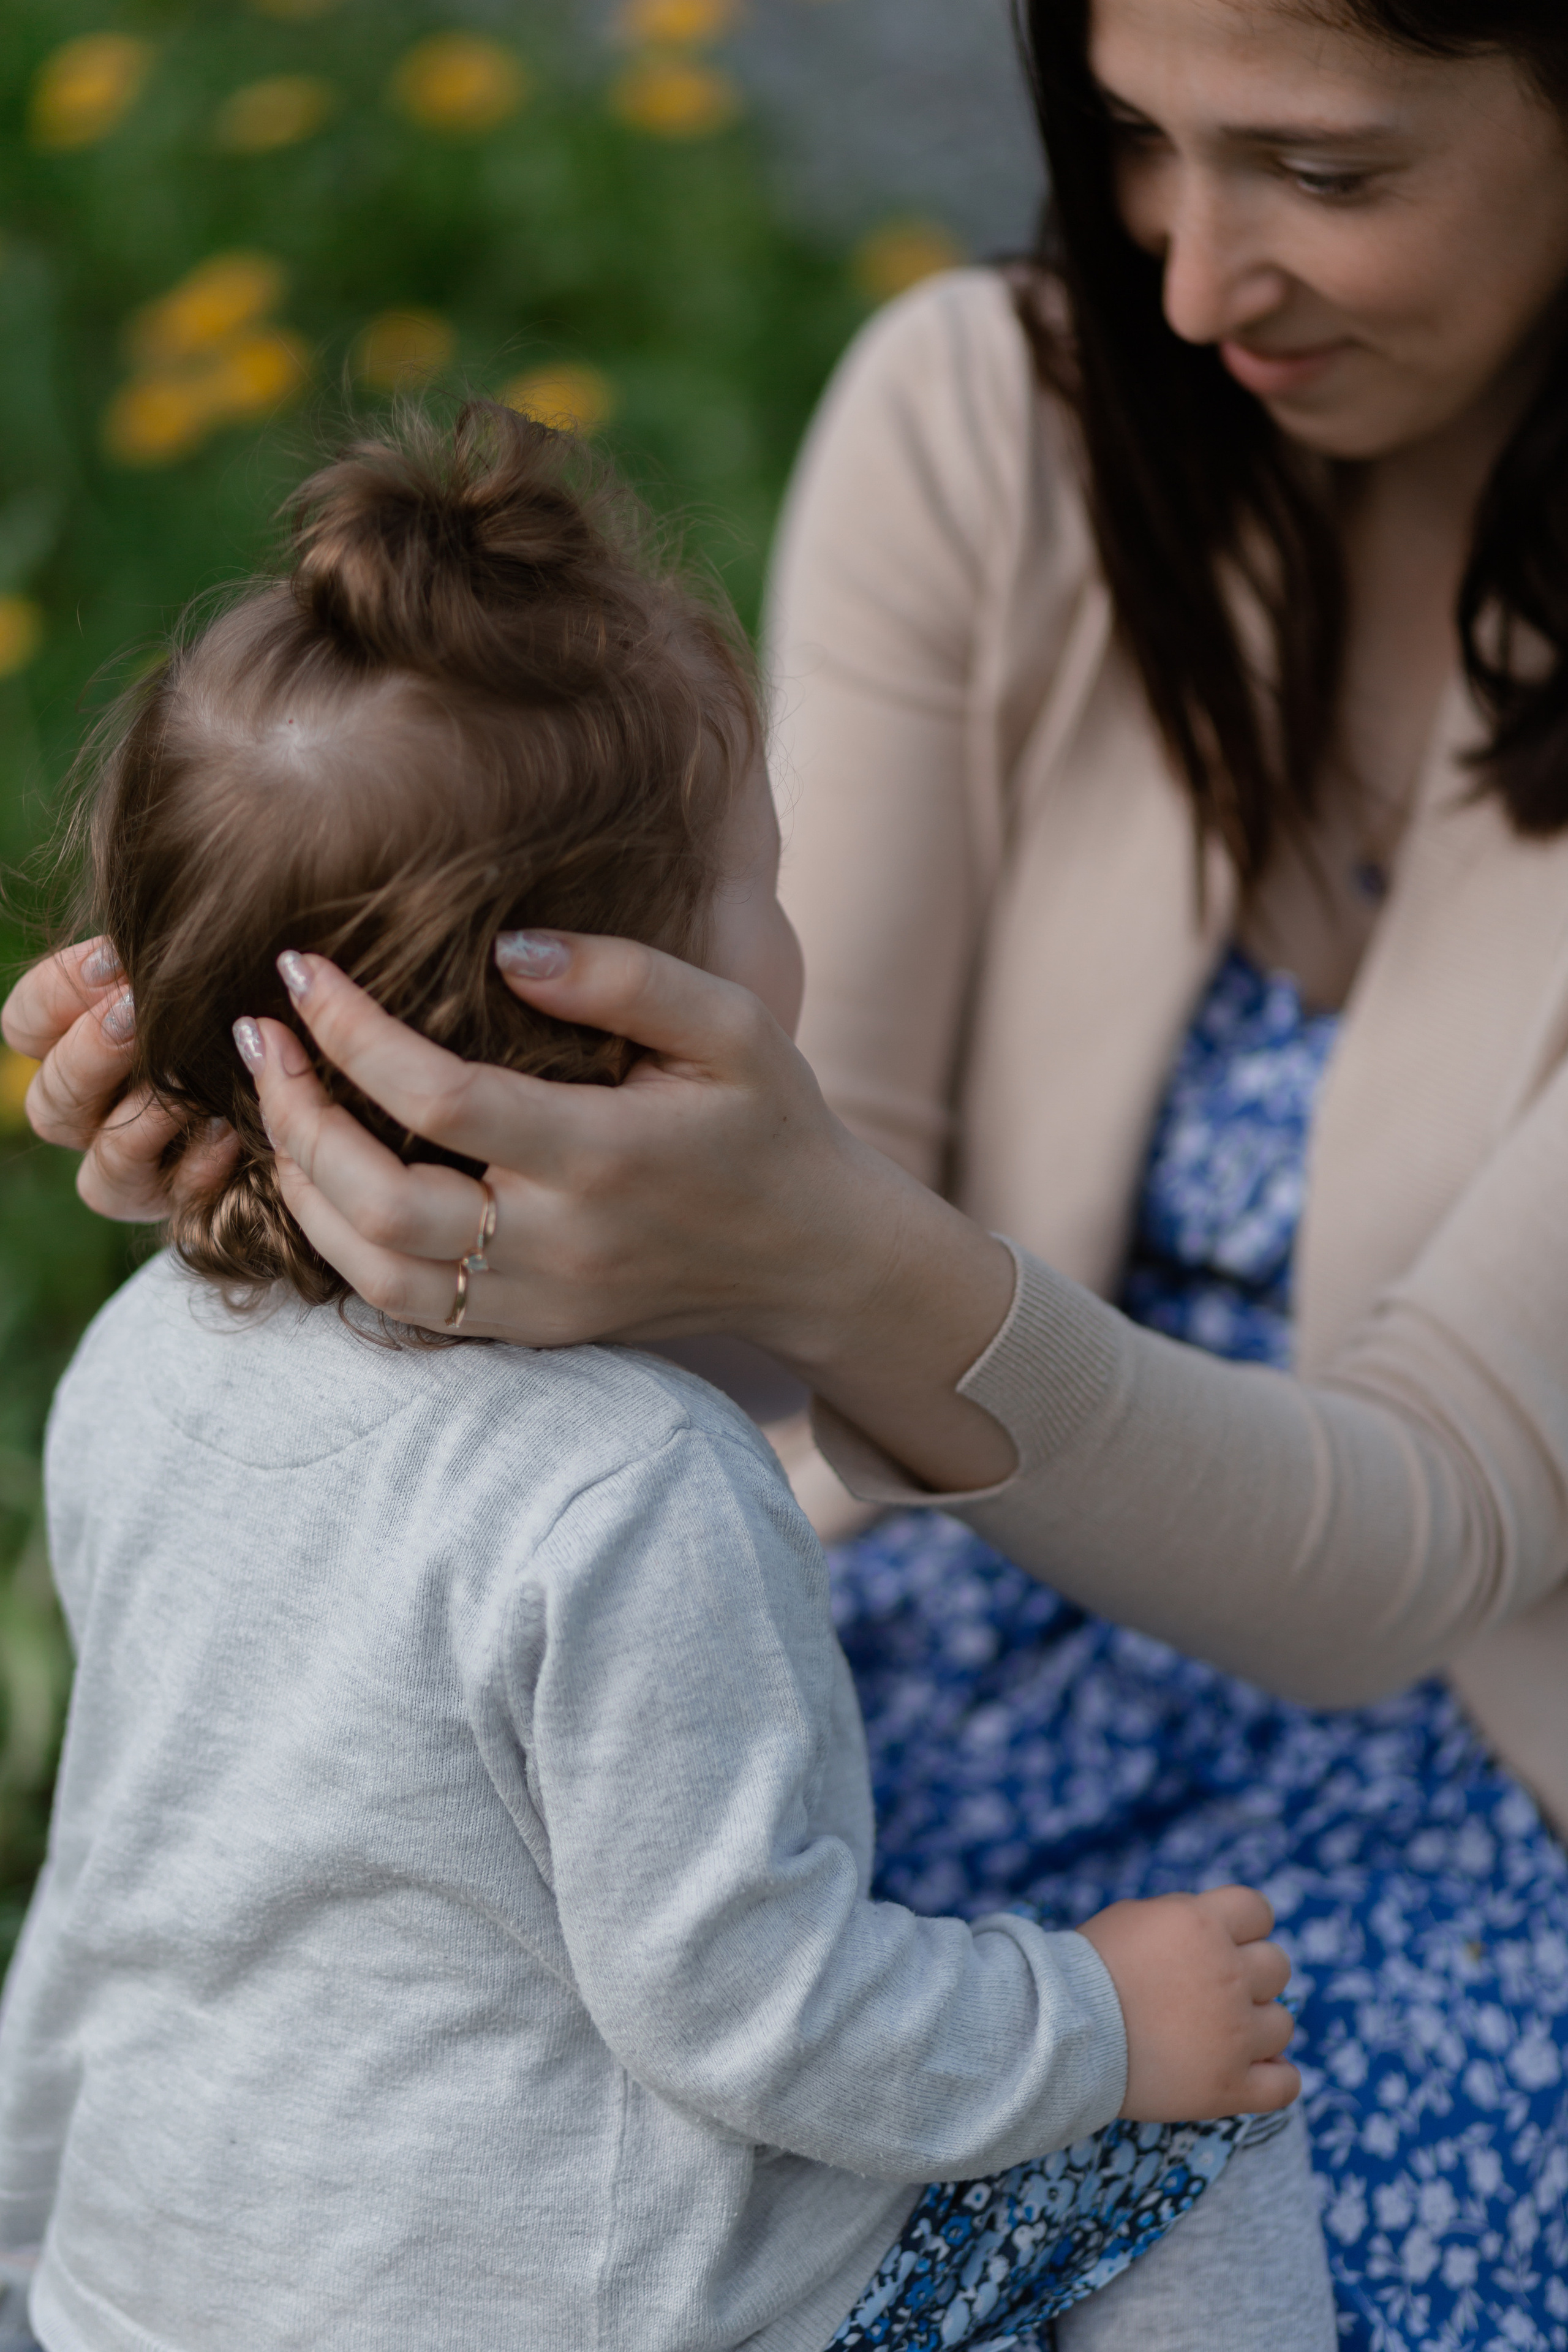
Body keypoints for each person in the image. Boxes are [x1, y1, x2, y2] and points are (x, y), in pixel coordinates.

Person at [12, 0, 1568, 2340]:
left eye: (1327, 174)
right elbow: (743, 1262)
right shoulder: (993, 420)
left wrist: (818, 1249)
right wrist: (365, 1207)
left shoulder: (590, 1510)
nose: (1186, 275)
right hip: (852, 1655)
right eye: (1136, 140)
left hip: (1446, 1758)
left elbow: (1419, 1547)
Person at [0, 409, 1334, 2352]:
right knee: (1200, 2125)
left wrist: (34, 2259)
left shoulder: (143, 1363)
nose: (790, 922)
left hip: (155, 2292)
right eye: (756, 878)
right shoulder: (630, 1488)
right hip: (576, 2307)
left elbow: (113, 1898)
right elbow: (756, 2015)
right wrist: (1103, 2018)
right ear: (610, 1018)